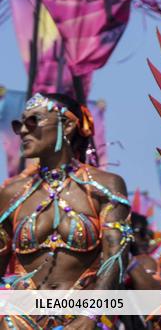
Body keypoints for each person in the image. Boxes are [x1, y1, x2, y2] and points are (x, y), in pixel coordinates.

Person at [0, 93, 131, 330]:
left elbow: (117, 254)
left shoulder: (104, 186)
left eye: (33, 121)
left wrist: (92, 315)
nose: (22, 131)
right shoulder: (11, 194)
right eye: (19, 124)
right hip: (18, 318)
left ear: (68, 125)